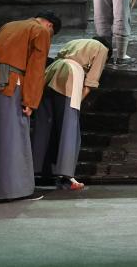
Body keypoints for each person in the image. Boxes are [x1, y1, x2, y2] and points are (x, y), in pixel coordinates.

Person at [0, 13, 61, 201]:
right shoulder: (40, 31)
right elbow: (37, 67)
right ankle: (14, 190)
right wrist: (31, 100)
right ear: (49, 25)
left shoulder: (9, 25)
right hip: (13, 82)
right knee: (14, 135)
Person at [32, 37, 110, 191]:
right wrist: (77, 102)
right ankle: (66, 177)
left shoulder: (74, 42)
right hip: (71, 75)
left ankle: (37, 169)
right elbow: (90, 82)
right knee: (70, 127)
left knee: (44, 123)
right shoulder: (102, 49)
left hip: (52, 71)